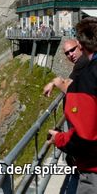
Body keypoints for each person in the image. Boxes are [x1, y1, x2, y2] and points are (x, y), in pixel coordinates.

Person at [49, 17, 97, 193]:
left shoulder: (87, 79)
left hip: (93, 170)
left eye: (73, 50)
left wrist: (59, 139)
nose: (70, 55)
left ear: (81, 45)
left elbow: (85, 136)